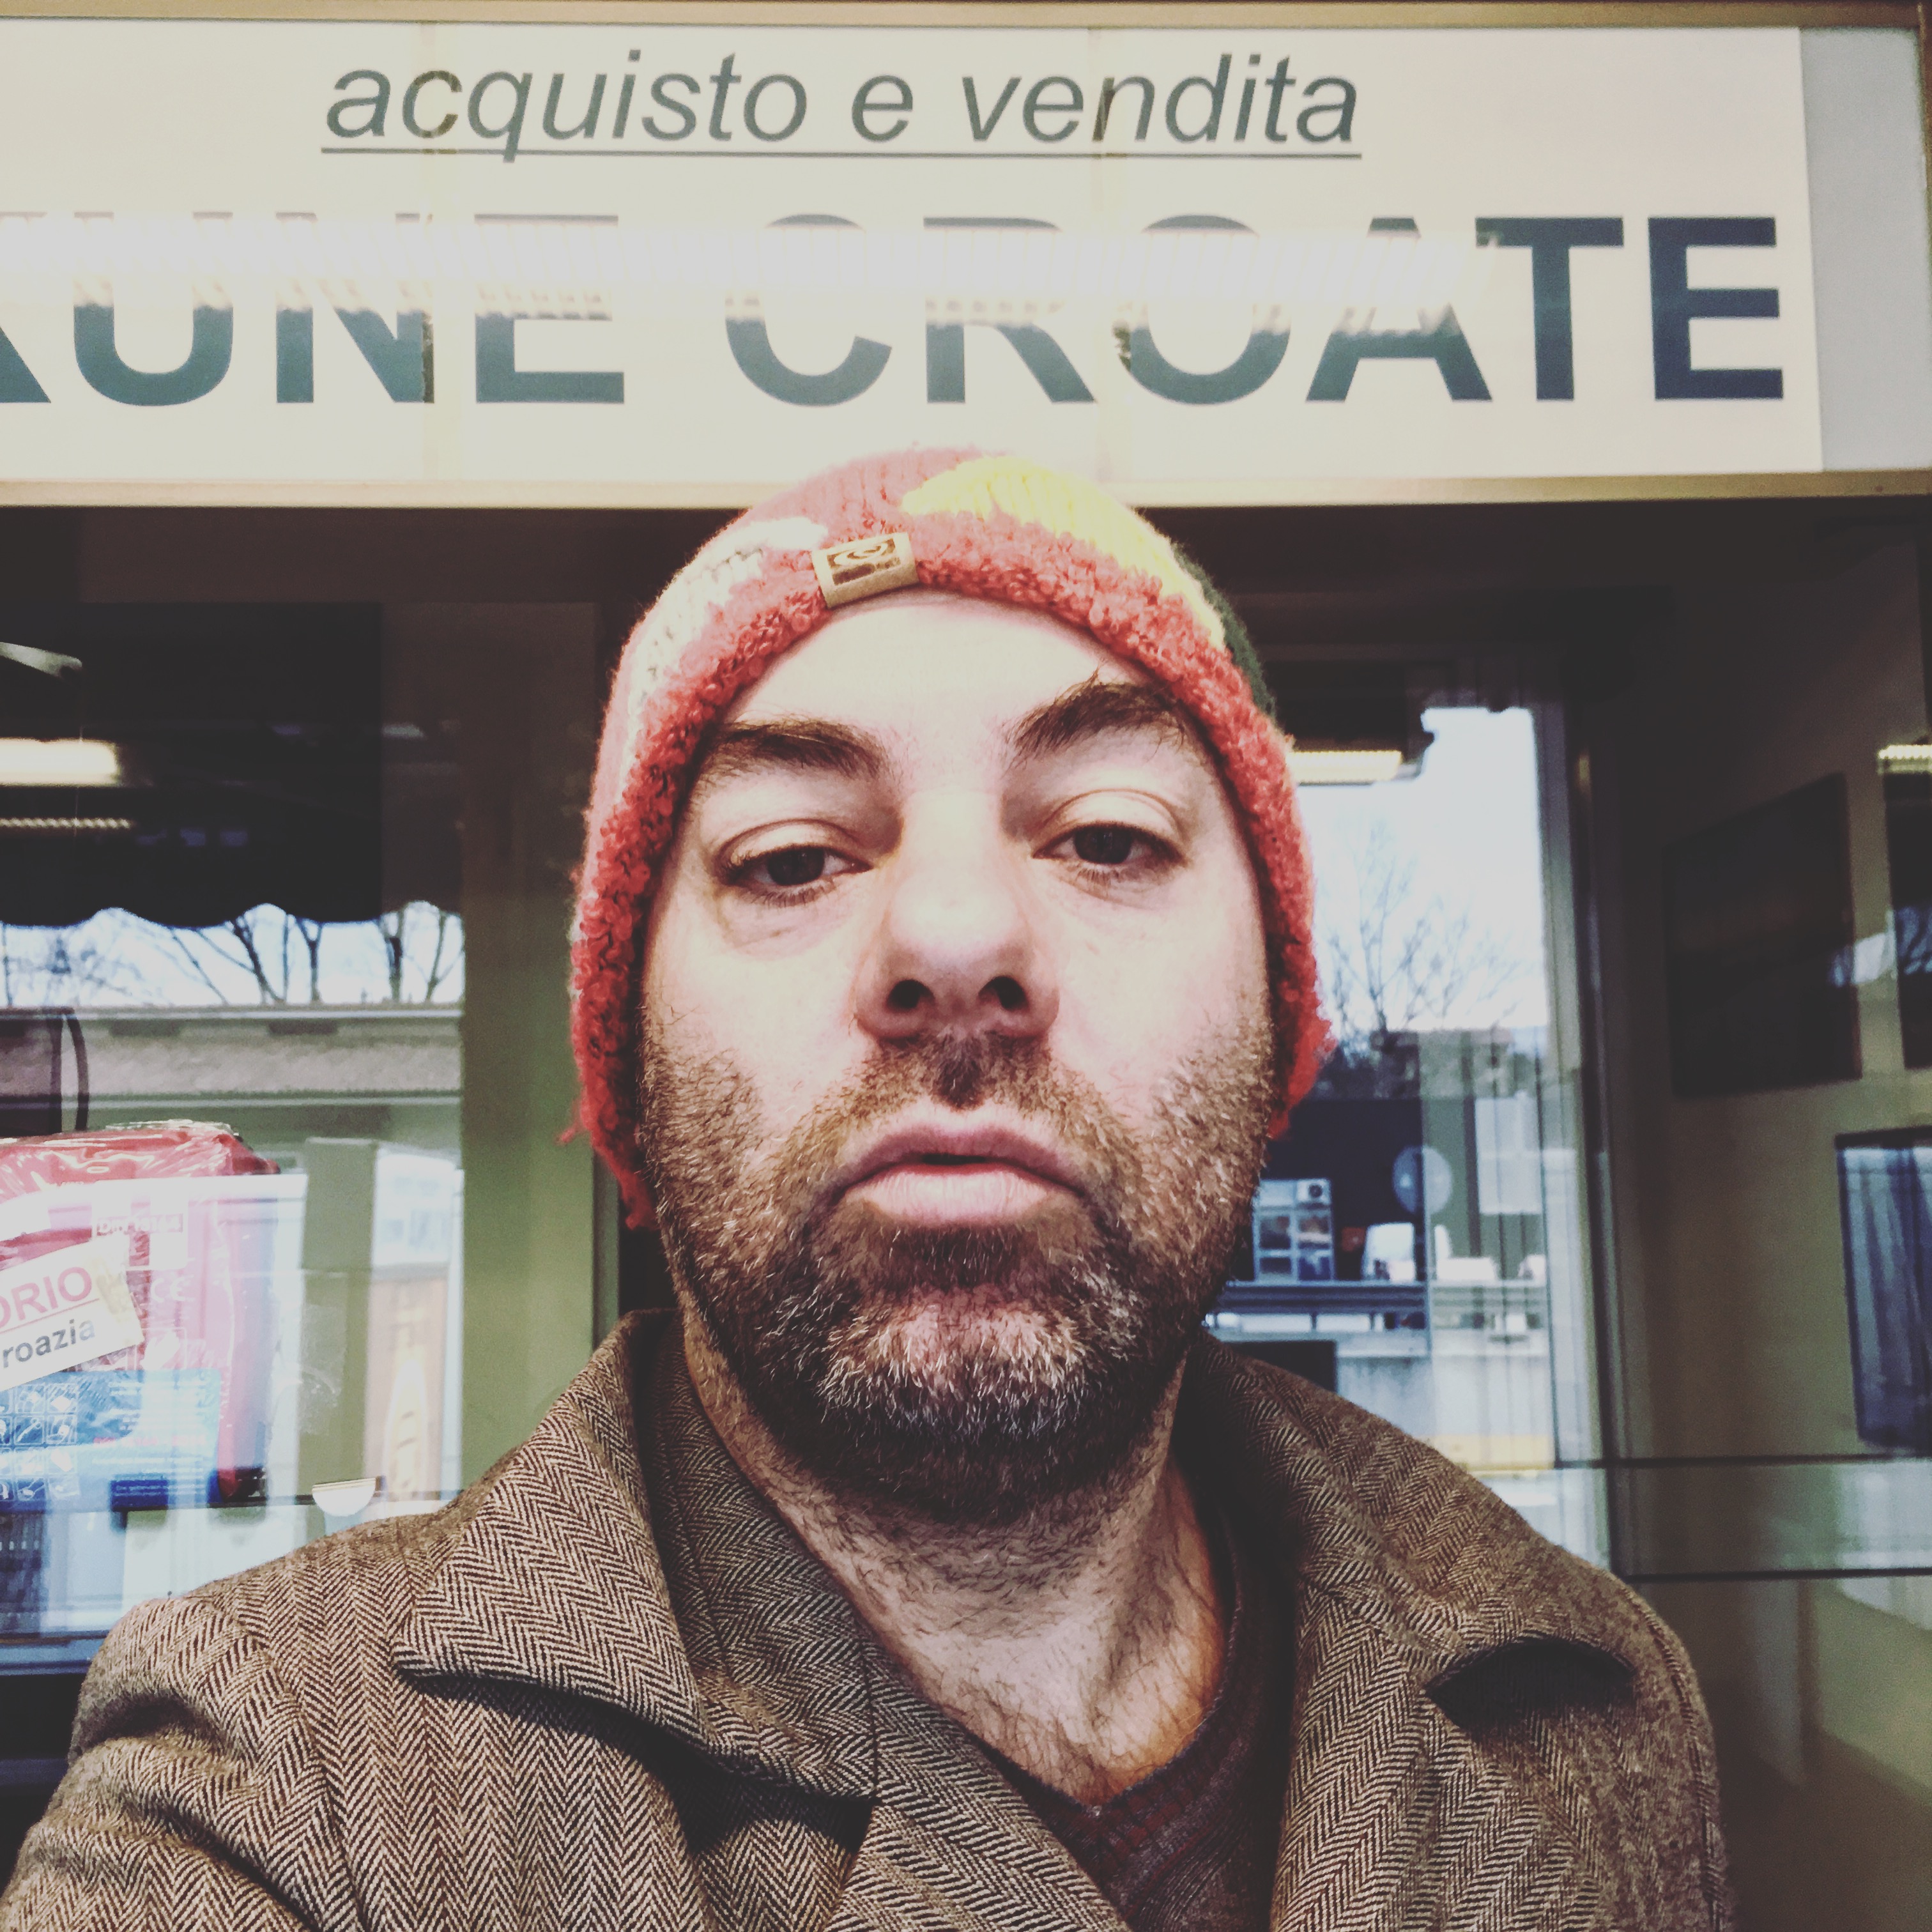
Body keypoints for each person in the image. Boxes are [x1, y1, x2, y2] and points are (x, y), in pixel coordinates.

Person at [2, 450, 1731, 1932]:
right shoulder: (279, 1797)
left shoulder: (1590, 1707)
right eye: (790, 857)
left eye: (1109, 836)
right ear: (628, 1058)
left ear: (1277, 1012)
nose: (957, 940)